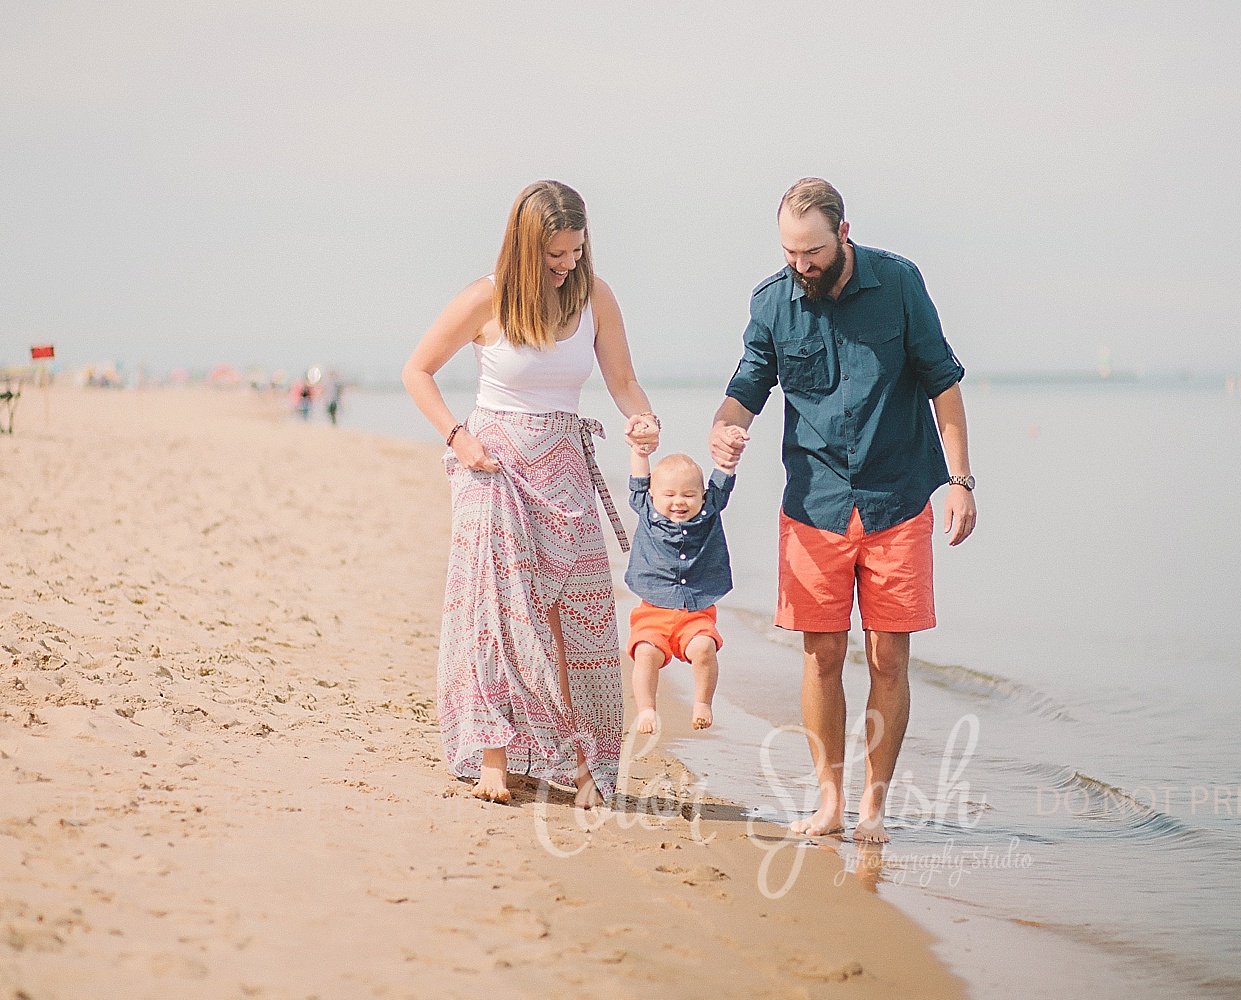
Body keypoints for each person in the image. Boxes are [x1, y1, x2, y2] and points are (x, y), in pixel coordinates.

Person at [709, 178, 977, 843]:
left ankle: (873, 809)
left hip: (898, 496)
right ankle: (829, 802)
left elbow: (942, 380)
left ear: (844, 234)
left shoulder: (899, 284)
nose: (801, 266)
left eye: (813, 252)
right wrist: (726, 425)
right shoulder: (773, 302)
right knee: (822, 654)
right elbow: (749, 379)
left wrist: (962, 480)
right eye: (790, 253)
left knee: (889, 657)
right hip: (813, 501)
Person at [402, 180, 659, 808]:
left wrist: (642, 419)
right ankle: (494, 754)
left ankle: (587, 764)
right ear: (524, 247)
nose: (567, 265)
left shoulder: (596, 298)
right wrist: (457, 437)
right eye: (554, 256)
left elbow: (622, 381)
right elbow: (417, 371)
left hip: (566, 464)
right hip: (492, 465)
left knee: (580, 614)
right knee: (497, 610)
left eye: (575, 252)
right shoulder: (485, 299)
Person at [623, 439, 741, 735]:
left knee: (704, 648)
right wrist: (639, 451)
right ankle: (647, 709)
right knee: (645, 654)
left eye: (689, 494)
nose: (679, 501)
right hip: (653, 610)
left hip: (696, 611)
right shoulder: (647, 511)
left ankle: (703, 703)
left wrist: (728, 456)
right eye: (669, 494)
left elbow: (723, 481)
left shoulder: (710, 511)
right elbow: (638, 481)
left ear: (703, 496)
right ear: (653, 495)